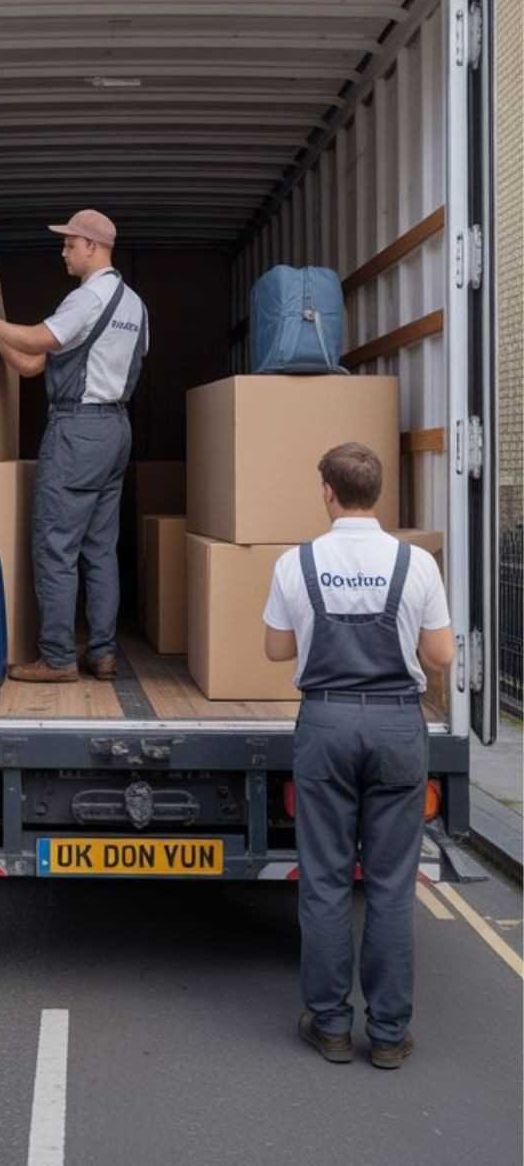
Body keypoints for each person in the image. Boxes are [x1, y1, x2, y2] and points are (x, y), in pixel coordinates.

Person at [263, 441, 455, 1070]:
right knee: (392, 885)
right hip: (398, 726)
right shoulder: (416, 564)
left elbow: (274, 649)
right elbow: (441, 658)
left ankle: (331, 1025)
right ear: (378, 494)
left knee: (323, 880)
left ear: (327, 491)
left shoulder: (297, 563)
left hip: (326, 721)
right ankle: (392, 1032)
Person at [0, 209, 148, 683]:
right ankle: (104, 654)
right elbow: (32, 363)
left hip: (77, 432)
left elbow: (38, 337)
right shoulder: (135, 305)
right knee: (100, 549)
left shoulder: (86, 300)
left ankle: (57, 658)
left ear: (93, 246)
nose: (63, 251)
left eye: (70, 243)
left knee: (56, 547)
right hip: (116, 431)